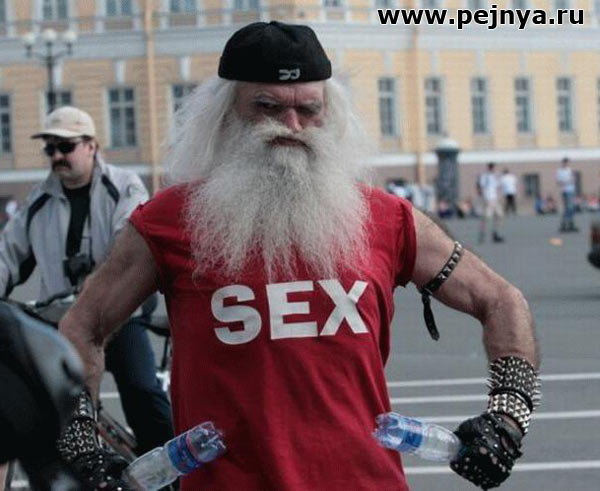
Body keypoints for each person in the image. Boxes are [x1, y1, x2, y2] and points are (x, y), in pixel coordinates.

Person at [60, 22, 540, 491]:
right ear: (225, 114)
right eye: (267, 107)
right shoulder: (168, 222)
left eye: (309, 109)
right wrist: (81, 441)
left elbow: (500, 300)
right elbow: (83, 326)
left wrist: (507, 417)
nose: (291, 127)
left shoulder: (386, 219)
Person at [0, 106, 173, 455]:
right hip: (61, 321)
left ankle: (170, 473)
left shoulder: (123, 186)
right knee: (40, 401)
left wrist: (95, 290)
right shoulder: (39, 200)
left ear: (91, 146)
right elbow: (7, 255)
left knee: (141, 390)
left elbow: (127, 249)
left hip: (119, 314)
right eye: (50, 148)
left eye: (66, 146)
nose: (57, 156)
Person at [477, 162, 504, 243]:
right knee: (486, 218)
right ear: (489, 168)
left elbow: (498, 187)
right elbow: (481, 187)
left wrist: (499, 197)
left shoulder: (495, 176)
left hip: (495, 199)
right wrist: (484, 198)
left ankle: (495, 233)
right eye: (492, 167)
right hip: (488, 199)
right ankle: (482, 234)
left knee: (499, 215)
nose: (493, 169)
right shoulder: (485, 176)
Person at [556, 157, 578, 232]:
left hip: (570, 190)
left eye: (567, 162)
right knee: (568, 208)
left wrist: (570, 180)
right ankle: (565, 223)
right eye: (564, 162)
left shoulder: (569, 170)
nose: (566, 163)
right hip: (564, 191)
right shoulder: (559, 171)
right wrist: (567, 181)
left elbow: (573, 179)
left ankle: (569, 223)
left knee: (570, 208)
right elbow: (559, 182)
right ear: (562, 163)